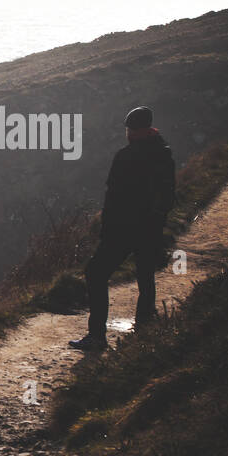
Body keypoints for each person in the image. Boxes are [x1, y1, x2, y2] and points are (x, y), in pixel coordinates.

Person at [69, 106, 175, 351]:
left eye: (129, 129)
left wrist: (107, 229)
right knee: (145, 277)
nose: (127, 133)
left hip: (122, 230)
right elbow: (168, 196)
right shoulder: (163, 153)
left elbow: (113, 198)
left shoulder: (126, 156)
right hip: (149, 230)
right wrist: (156, 222)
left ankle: (96, 337)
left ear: (133, 131)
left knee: (95, 273)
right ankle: (144, 333)